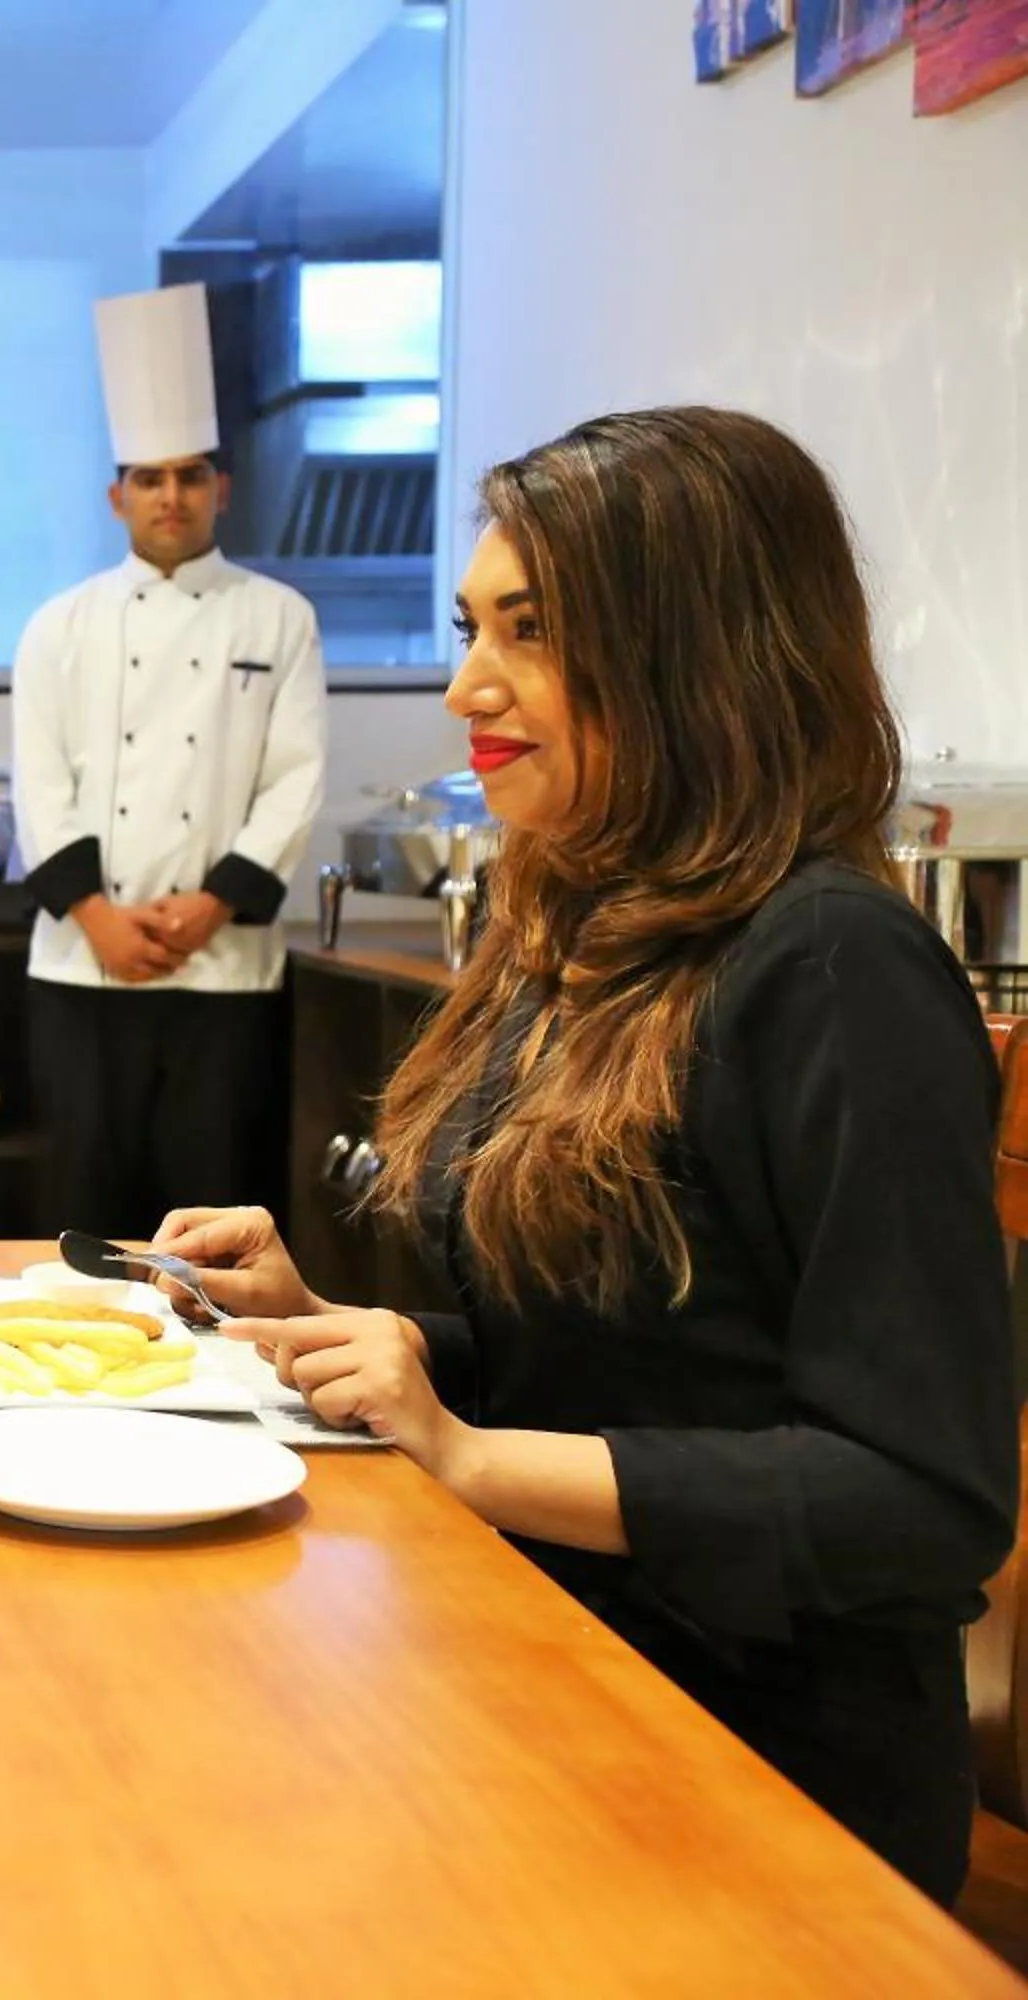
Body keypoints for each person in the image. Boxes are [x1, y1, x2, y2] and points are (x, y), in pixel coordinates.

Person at [151, 407, 1015, 1905]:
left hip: (762, 1766)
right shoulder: (578, 930)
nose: (465, 685)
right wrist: (337, 1331)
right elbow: (617, 1355)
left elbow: (919, 1501)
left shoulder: (833, 967)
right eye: (472, 627)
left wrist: (469, 1456)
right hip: (539, 1659)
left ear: (698, 650)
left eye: (532, 630)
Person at [11, 283, 326, 1237]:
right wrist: (101, 919)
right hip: (84, 967)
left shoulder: (280, 618)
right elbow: (40, 783)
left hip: (224, 970)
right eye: (150, 478)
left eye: (190, 476)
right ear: (118, 497)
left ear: (220, 489)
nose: (171, 496)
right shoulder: (59, 624)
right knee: (82, 1214)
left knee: (215, 1214)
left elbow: (295, 777)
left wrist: (212, 905)